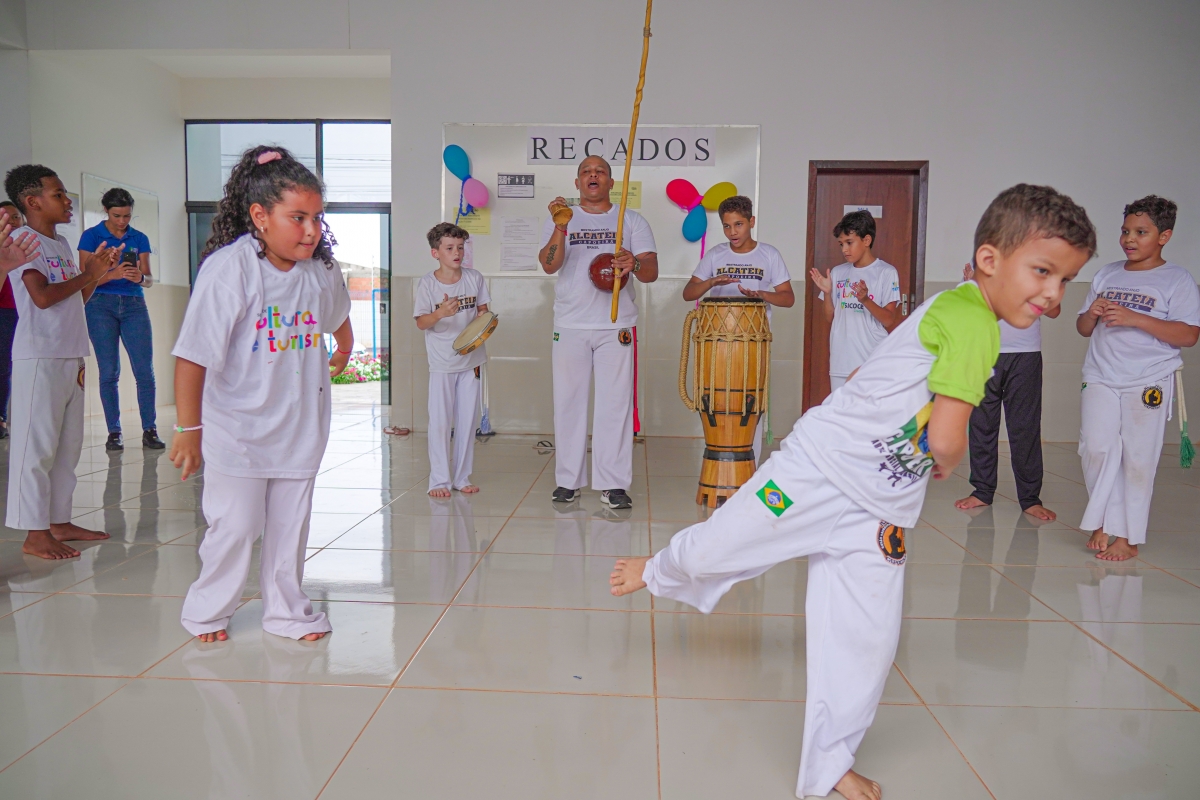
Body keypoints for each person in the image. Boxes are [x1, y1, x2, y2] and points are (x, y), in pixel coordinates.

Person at [611, 184, 1096, 800]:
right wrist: (943, 458)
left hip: (878, 509)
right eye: (1043, 272)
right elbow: (948, 437)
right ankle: (659, 568)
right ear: (989, 260)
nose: (1054, 294)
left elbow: (879, 366)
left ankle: (828, 765)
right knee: (730, 546)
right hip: (816, 472)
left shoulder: (954, 309)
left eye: (1065, 279)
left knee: (863, 640)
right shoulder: (973, 322)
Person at [169, 146, 353, 643]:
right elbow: (192, 356)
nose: (311, 230)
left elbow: (338, 315)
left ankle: (287, 613)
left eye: (316, 218)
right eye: (298, 218)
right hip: (238, 428)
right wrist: (188, 428)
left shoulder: (321, 270)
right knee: (235, 526)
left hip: (301, 426)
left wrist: (344, 348)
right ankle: (207, 611)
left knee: (290, 529)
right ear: (259, 216)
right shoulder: (229, 270)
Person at [3, 164, 119, 559]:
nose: (68, 201)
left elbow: (74, 300)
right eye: (58, 194)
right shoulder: (23, 241)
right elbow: (42, 297)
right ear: (32, 201)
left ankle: (58, 521)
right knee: (36, 449)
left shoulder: (62, 244)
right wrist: (88, 274)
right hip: (39, 355)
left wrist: (94, 276)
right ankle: (34, 533)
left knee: (67, 447)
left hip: (71, 352)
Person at [1077, 195, 1200, 562]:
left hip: (1148, 379)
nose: (1129, 239)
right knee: (1096, 448)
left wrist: (1135, 319)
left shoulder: (1177, 279)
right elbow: (1083, 328)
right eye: (1125, 231)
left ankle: (1127, 536)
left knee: (1137, 458)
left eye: (1141, 232)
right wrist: (1091, 313)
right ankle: (1103, 520)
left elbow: (1189, 335)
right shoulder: (1107, 273)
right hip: (1100, 374)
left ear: (1164, 236)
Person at [537, 155, 658, 509]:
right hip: (570, 324)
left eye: (600, 171)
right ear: (577, 183)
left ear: (611, 182)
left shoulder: (630, 219)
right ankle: (568, 481)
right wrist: (561, 226)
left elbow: (651, 271)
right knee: (568, 403)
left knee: (615, 406)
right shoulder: (562, 218)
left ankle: (613, 484)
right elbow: (548, 265)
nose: (593, 176)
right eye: (586, 172)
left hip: (616, 326)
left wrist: (634, 262)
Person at [683, 194, 793, 462]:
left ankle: (748, 466)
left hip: (753, 344)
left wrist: (762, 295)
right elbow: (689, 293)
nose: (732, 232)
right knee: (719, 400)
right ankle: (720, 459)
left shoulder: (769, 254)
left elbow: (788, 298)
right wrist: (711, 282)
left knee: (749, 400)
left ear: (751, 222)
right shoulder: (715, 254)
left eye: (739, 224)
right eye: (726, 226)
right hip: (718, 345)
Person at [955, 259, 1060, 521]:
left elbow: (1054, 311)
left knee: (1024, 427)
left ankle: (1030, 498)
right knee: (981, 425)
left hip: (1025, 356)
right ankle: (982, 490)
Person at [78, 187, 163, 451]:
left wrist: (140, 277)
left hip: (134, 305)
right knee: (109, 371)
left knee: (144, 370)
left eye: (127, 215)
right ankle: (114, 432)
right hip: (99, 306)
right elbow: (85, 279)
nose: (122, 221)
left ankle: (150, 430)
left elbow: (149, 278)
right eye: (117, 215)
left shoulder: (139, 238)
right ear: (106, 210)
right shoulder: (91, 236)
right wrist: (112, 275)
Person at [414, 222, 489, 498]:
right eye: (449, 248)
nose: (456, 253)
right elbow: (421, 322)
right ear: (435, 253)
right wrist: (441, 313)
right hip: (442, 363)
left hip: (472, 361)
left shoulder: (475, 278)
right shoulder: (427, 284)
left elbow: (483, 311)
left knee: (467, 422)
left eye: (460, 247)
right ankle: (439, 481)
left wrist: (483, 322)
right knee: (440, 423)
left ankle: (462, 478)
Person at [809, 210, 901, 391]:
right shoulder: (837, 272)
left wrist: (865, 299)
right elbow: (829, 317)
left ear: (866, 240)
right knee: (841, 408)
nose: (844, 249)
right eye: (841, 244)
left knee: (870, 408)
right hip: (840, 361)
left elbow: (889, 320)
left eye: (849, 243)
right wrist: (827, 293)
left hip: (872, 359)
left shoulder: (886, 272)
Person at [0, 200, 23, 439]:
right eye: (7, 217)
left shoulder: (30, 245)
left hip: (29, 311)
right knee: (3, 366)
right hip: (4, 311)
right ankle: (1, 418)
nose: (13, 221)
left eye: (17, 216)